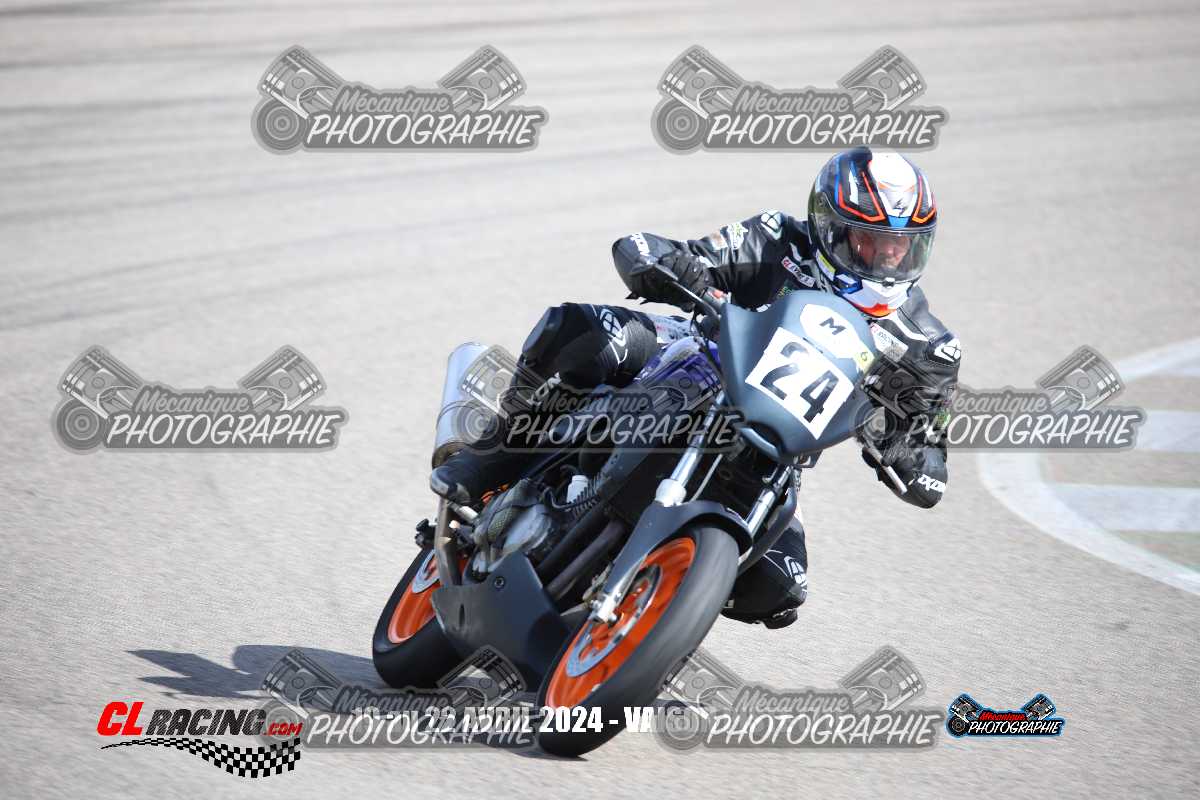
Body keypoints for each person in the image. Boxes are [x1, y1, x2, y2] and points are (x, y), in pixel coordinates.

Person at [431, 146, 960, 629]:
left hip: (774, 456)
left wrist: (901, 443)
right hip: (695, 358)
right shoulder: (778, 239)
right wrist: (671, 266)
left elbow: (930, 462)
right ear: (829, 228)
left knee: (779, 587)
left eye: (902, 247)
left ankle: (640, 627)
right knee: (585, 333)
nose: (887, 259)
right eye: (871, 241)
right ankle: (489, 457)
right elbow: (662, 251)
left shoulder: (927, 346)